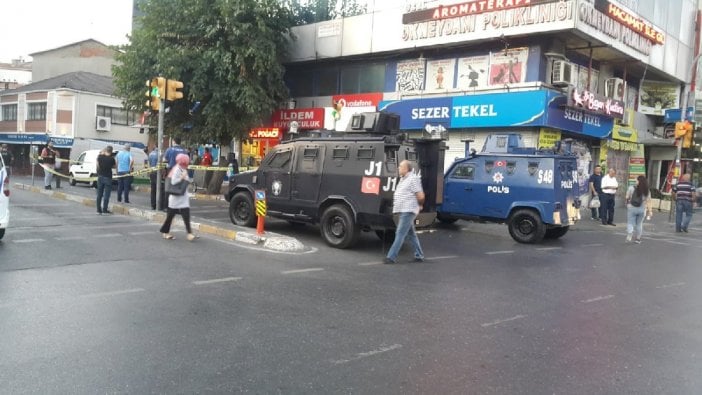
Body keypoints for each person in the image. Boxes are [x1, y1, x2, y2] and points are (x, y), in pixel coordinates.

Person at [384, 160, 425, 264]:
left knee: (400, 233)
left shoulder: (413, 179)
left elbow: (420, 195)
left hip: (408, 210)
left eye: (400, 166)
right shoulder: (403, 179)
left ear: (407, 169)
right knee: (411, 234)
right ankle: (419, 255)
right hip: (404, 210)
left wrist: (420, 205)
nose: (398, 168)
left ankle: (391, 257)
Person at [160, 153, 198, 241]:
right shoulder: (177, 169)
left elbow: (186, 179)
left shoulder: (182, 168)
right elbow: (173, 182)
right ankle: (165, 232)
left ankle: (189, 233)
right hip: (175, 198)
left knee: (186, 215)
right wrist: (182, 178)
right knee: (170, 216)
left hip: (183, 197)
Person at [625, 175, 652, 244]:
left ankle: (630, 233)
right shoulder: (647, 190)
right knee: (639, 224)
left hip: (632, 208)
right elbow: (648, 201)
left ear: (639, 181)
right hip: (642, 209)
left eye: (636, 180)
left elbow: (627, 197)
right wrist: (650, 211)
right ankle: (638, 239)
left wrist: (628, 203)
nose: (635, 181)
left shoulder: (631, 188)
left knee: (630, 222)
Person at [96, 146, 116, 215]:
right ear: (111, 151)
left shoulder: (100, 157)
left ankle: (98, 210)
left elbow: (97, 165)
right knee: (107, 194)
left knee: (99, 194)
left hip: (100, 176)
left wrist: (102, 152)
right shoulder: (111, 159)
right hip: (108, 177)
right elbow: (114, 166)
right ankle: (105, 209)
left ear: (106, 150)